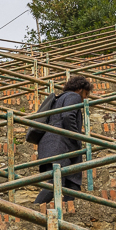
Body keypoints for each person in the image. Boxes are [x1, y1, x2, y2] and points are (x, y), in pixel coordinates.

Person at [33, 74, 93, 205]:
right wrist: (76, 136)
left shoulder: (59, 99)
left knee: (71, 184)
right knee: (56, 183)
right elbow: (68, 116)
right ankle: (31, 211)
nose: (85, 99)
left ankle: (68, 210)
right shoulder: (73, 96)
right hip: (60, 146)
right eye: (86, 94)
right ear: (80, 89)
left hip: (54, 146)